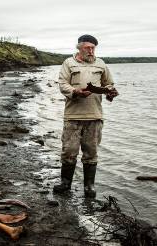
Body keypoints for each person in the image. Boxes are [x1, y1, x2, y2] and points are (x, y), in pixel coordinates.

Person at [53, 34, 117, 198]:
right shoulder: (69, 63)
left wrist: (110, 91)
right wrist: (76, 91)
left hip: (94, 116)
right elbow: (62, 85)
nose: (91, 51)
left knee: (91, 152)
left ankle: (89, 186)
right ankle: (65, 184)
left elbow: (108, 83)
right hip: (72, 116)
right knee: (69, 151)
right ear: (79, 48)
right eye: (87, 48)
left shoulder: (100, 63)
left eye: (93, 48)